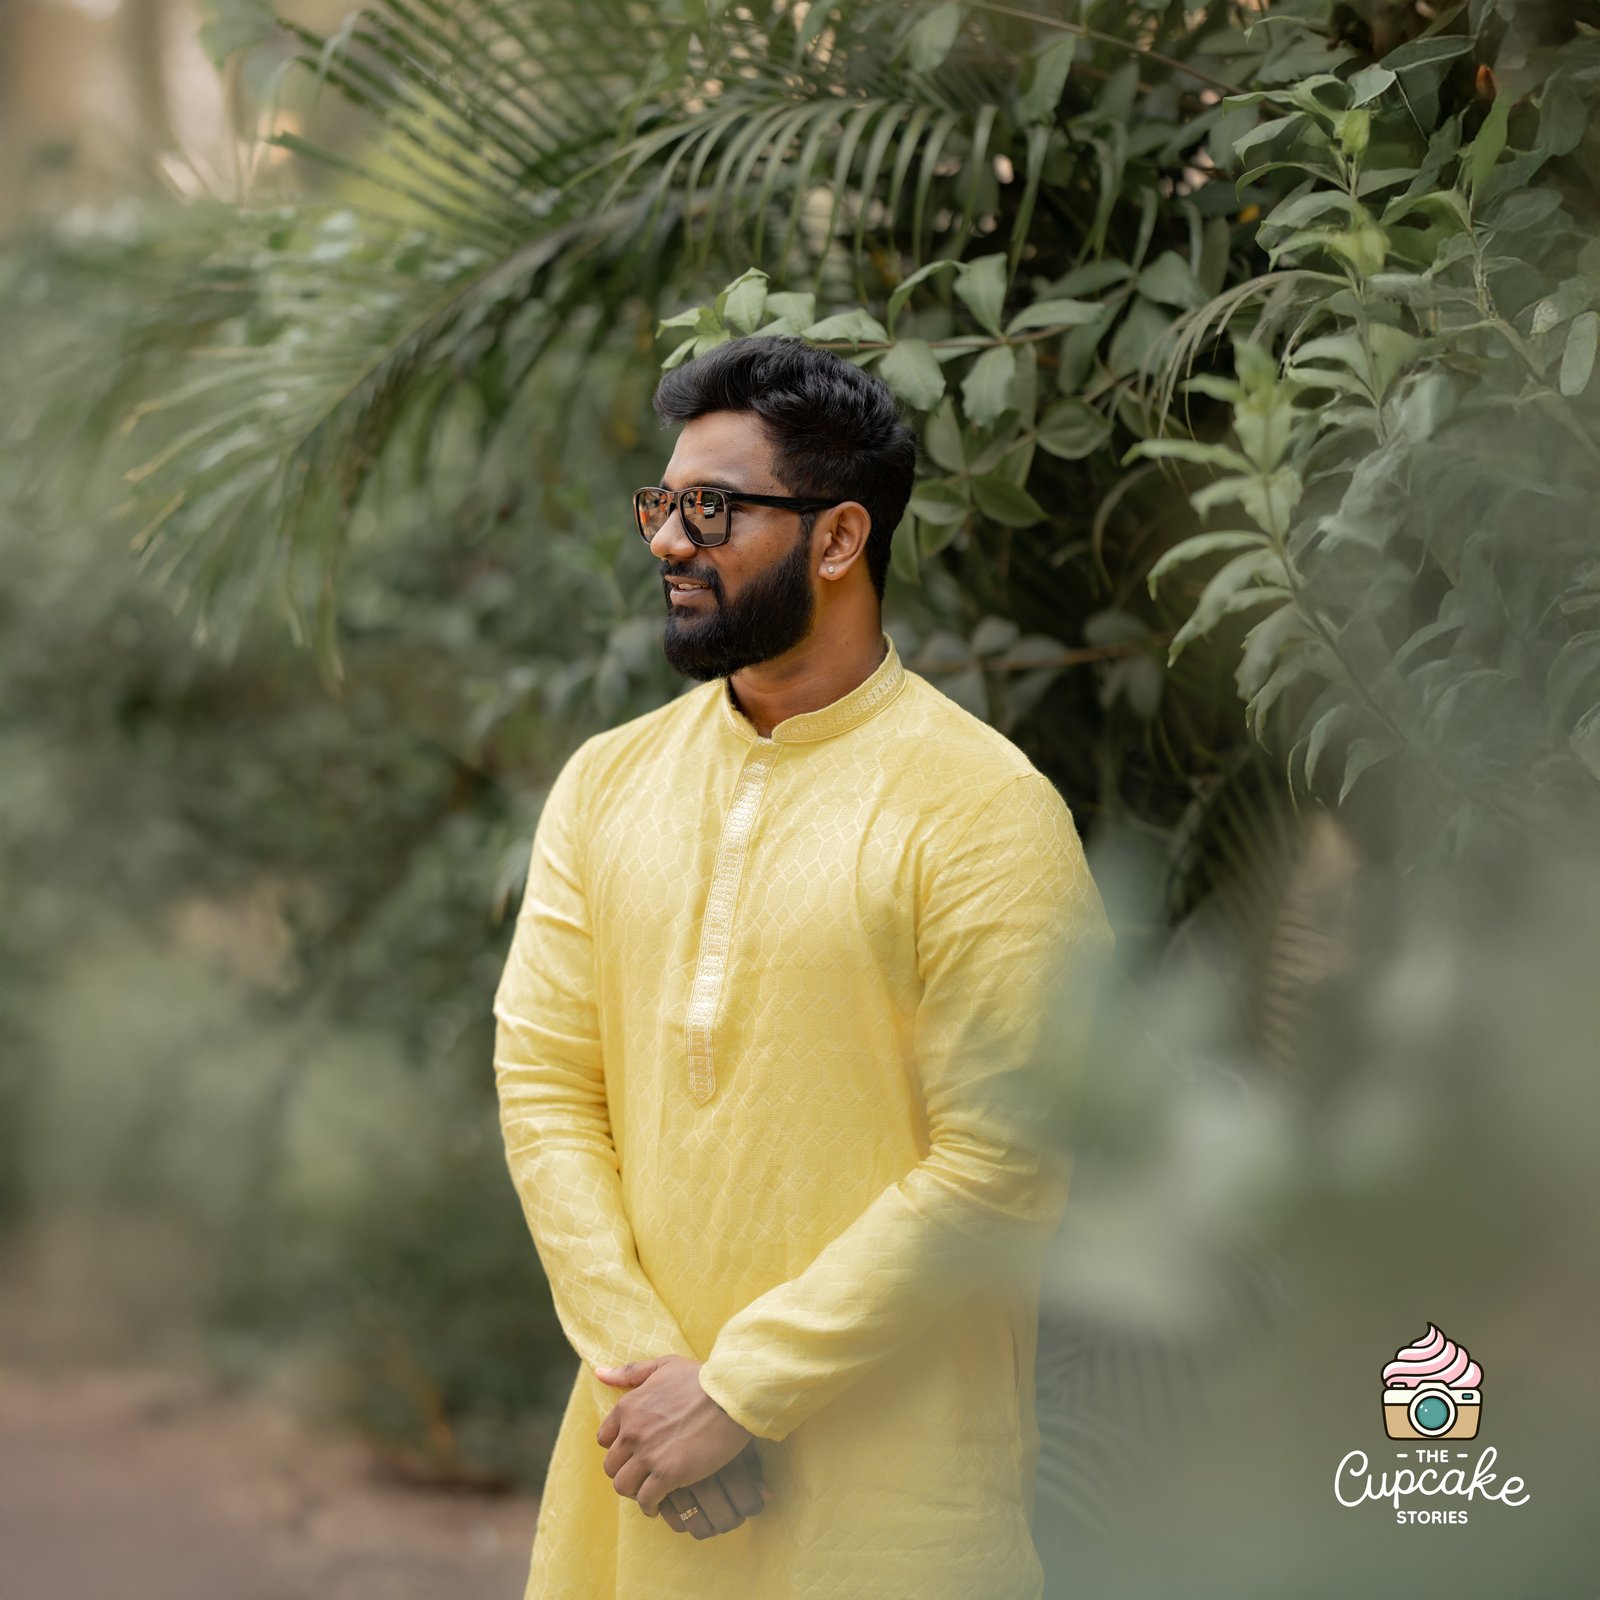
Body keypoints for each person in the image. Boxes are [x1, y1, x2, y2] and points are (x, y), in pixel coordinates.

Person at [492, 334, 1113, 1598]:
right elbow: (547, 1088)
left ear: (837, 539)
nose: (669, 541)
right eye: (662, 504)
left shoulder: (983, 808)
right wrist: (646, 1382)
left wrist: (738, 1393)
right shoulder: (606, 785)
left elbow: (1003, 1163)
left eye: (712, 509)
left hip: (890, 1512)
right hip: (642, 1478)